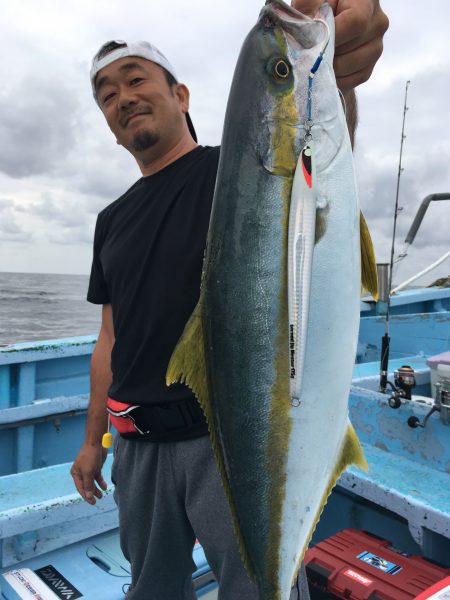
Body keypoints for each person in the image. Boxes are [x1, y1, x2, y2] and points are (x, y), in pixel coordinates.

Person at [71, 2, 388, 598]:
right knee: (151, 587)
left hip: (227, 441)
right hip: (137, 450)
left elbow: (311, 151)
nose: (123, 98)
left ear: (181, 94)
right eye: (107, 94)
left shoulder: (235, 171)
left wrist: (336, 78)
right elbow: (109, 340)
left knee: (256, 588)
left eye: (136, 78)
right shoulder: (110, 220)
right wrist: (93, 443)